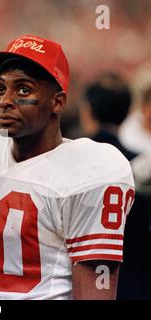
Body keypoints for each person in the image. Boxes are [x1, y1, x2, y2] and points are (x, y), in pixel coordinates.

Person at [0, 34, 135, 300]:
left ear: (57, 102)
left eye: (23, 90)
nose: (5, 100)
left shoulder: (90, 170)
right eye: (1, 88)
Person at [81, 73, 151, 299]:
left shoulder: (70, 162)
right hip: (135, 284)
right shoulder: (141, 165)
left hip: (81, 285)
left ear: (87, 111)